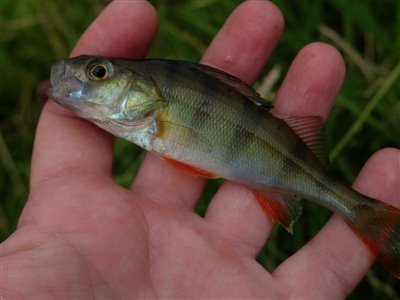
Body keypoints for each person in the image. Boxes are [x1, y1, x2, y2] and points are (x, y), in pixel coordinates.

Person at [1, 1, 398, 298]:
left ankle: (362, 211)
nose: (83, 79)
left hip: (278, 165)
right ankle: (361, 211)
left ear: (143, 92)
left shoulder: (159, 114)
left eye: (99, 73)